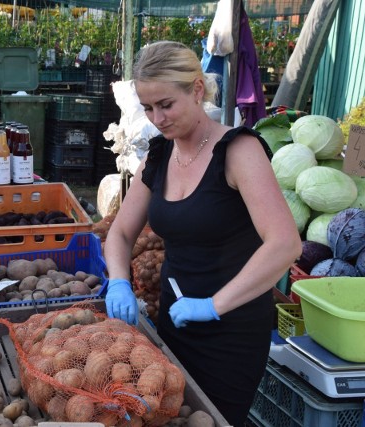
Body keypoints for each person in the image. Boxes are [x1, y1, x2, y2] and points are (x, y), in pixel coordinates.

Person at [103, 41, 301, 426]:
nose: (156, 118)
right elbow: (121, 233)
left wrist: (213, 304)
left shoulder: (239, 151)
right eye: (147, 108)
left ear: (196, 90)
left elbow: (284, 244)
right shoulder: (159, 155)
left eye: (166, 104)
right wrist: (118, 282)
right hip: (174, 323)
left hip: (231, 333)